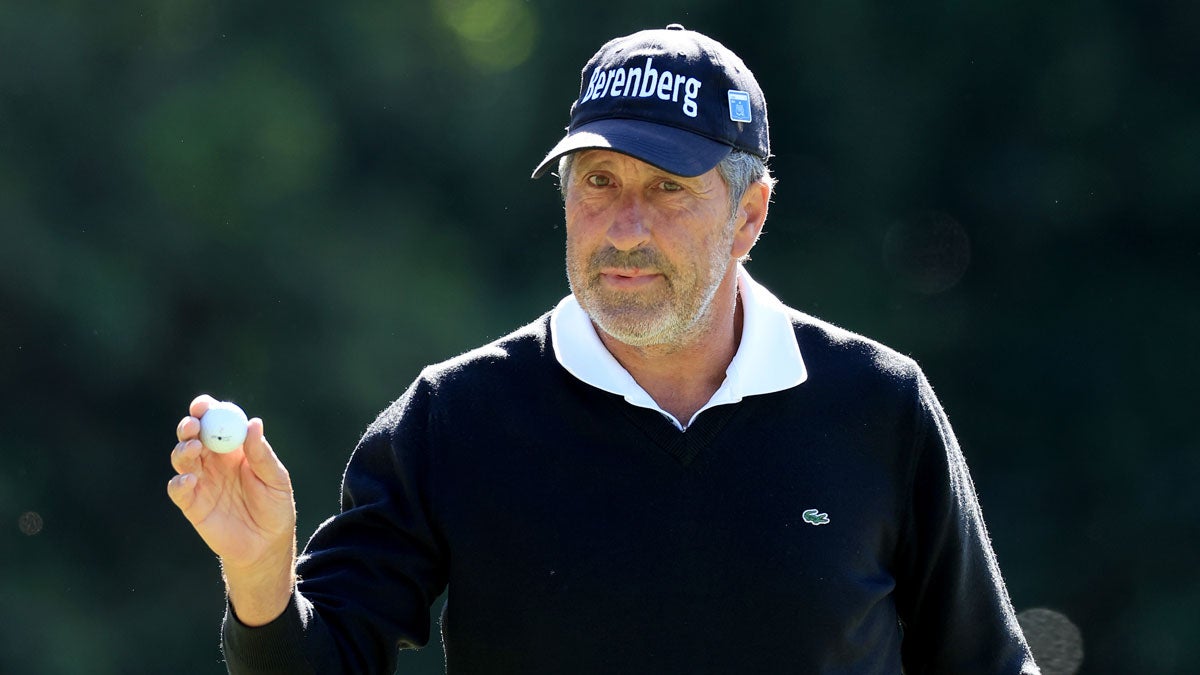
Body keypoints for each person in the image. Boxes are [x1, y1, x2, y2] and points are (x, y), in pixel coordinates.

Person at [168, 24, 1039, 674]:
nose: (624, 228)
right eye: (598, 181)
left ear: (750, 216)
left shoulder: (877, 407)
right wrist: (257, 570)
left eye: (667, 189)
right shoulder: (457, 417)